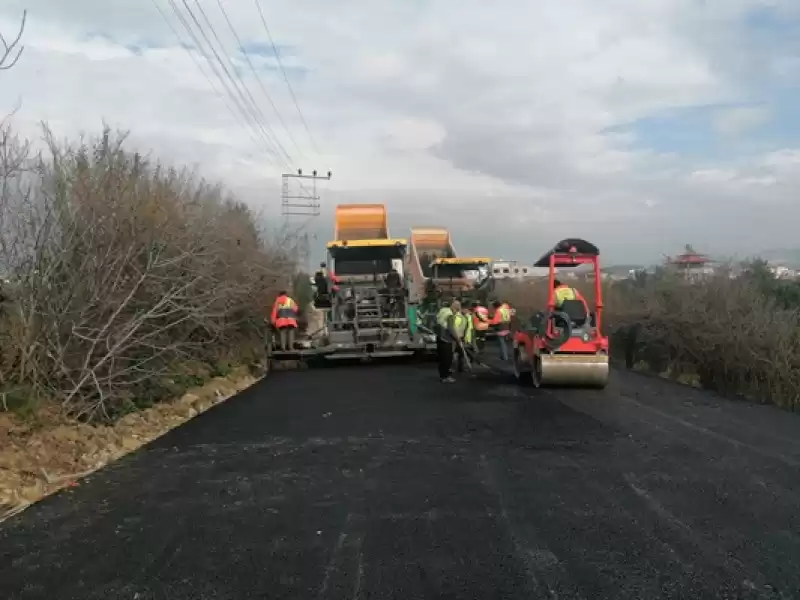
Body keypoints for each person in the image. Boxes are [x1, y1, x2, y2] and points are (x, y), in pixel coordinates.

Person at [435, 299, 461, 383]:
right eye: (457, 310)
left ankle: (442, 374)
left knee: (442, 358)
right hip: (446, 338)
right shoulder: (450, 315)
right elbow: (451, 328)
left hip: (439, 337)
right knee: (447, 358)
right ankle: (445, 376)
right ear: (455, 308)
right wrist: (457, 338)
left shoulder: (443, 310)